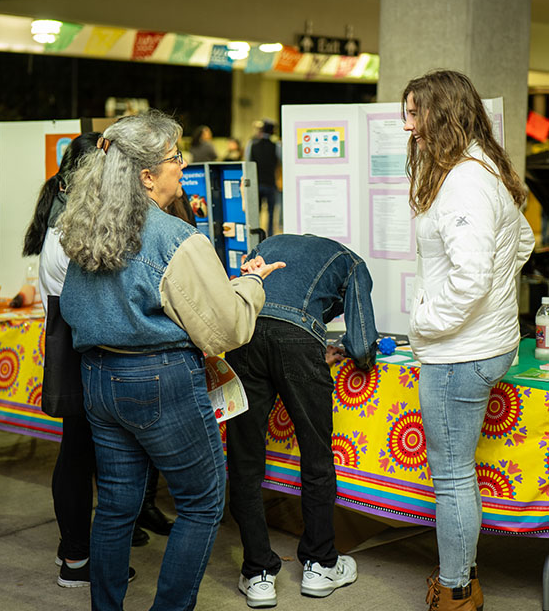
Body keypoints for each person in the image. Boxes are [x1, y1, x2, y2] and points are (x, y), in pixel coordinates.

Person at [58, 110, 284, 611]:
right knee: (203, 503)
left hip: (97, 378)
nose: (182, 167)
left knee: (116, 505)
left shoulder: (84, 228)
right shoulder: (176, 238)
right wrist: (252, 284)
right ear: (146, 176)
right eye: (174, 159)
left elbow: (72, 307)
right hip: (159, 381)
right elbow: (226, 328)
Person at [402, 70, 535, 611]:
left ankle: (457, 590)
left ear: (444, 114)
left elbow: (470, 279)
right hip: (482, 342)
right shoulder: (482, 168)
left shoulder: (464, 181)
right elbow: (522, 239)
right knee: (457, 471)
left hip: (460, 353)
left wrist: (425, 320)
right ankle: (462, 577)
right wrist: (494, 298)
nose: (407, 126)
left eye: (415, 113)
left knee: (452, 476)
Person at [225, 233, 378, 608]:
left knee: (245, 460)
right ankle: (320, 565)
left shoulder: (270, 244)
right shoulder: (352, 262)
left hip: (246, 336)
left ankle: (257, 573)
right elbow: (361, 346)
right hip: (296, 346)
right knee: (316, 457)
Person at [22, 132, 105, 587]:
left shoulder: (60, 217)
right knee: (78, 452)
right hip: (77, 342)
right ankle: (77, 558)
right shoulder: (70, 231)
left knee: (79, 450)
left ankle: (71, 548)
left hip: (69, 339)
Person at [246, 120, 281, 236]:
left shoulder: (252, 144)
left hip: (256, 183)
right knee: (271, 212)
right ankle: (270, 234)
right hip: (271, 182)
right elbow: (281, 161)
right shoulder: (276, 145)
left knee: (257, 211)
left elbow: (247, 162)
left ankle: (257, 235)